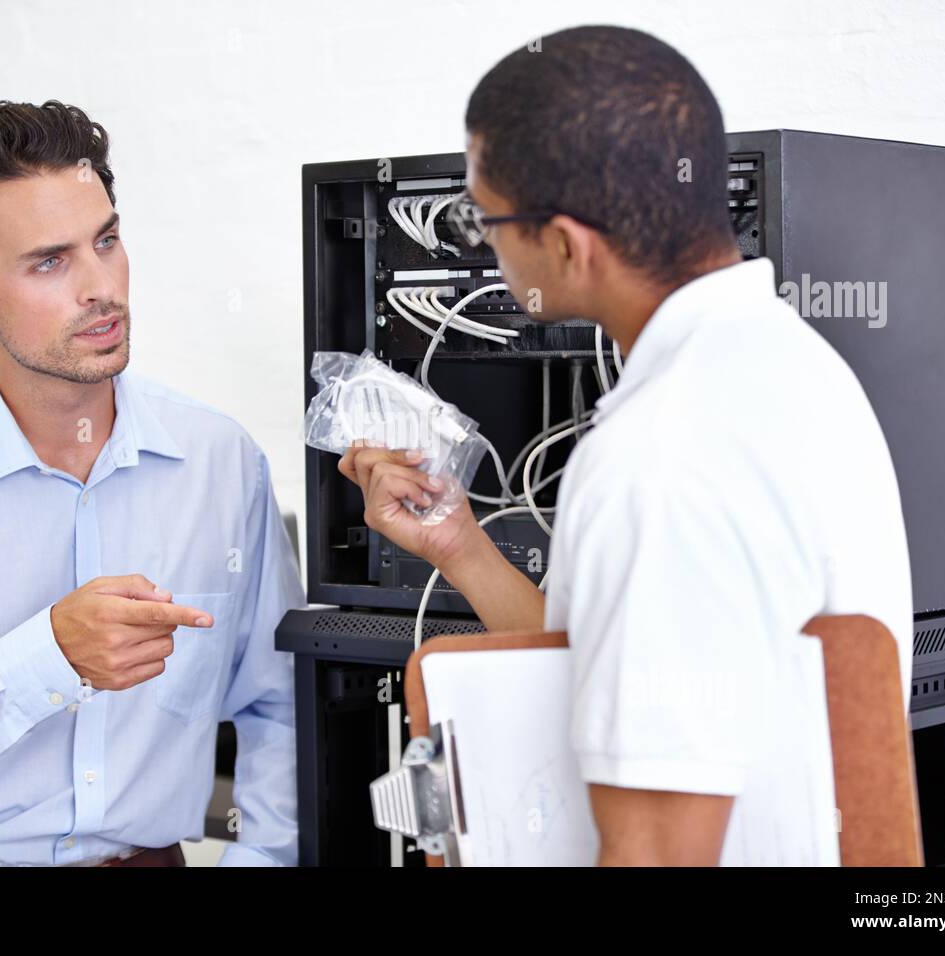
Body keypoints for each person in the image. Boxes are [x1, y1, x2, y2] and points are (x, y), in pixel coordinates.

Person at [337, 26, 913, 865]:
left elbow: (655, 851)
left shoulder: (663, 453)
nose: (488, 248)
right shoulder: (799, 369)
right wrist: (460, 548)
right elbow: (630, 677)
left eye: (487, 220)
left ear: (566, 244)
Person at [0, 101, 304, 866]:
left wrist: (262, 861)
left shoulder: (221, 464)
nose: (101, 286)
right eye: (50, 262)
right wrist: (47, 660)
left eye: (106, 240)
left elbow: (280, 709)